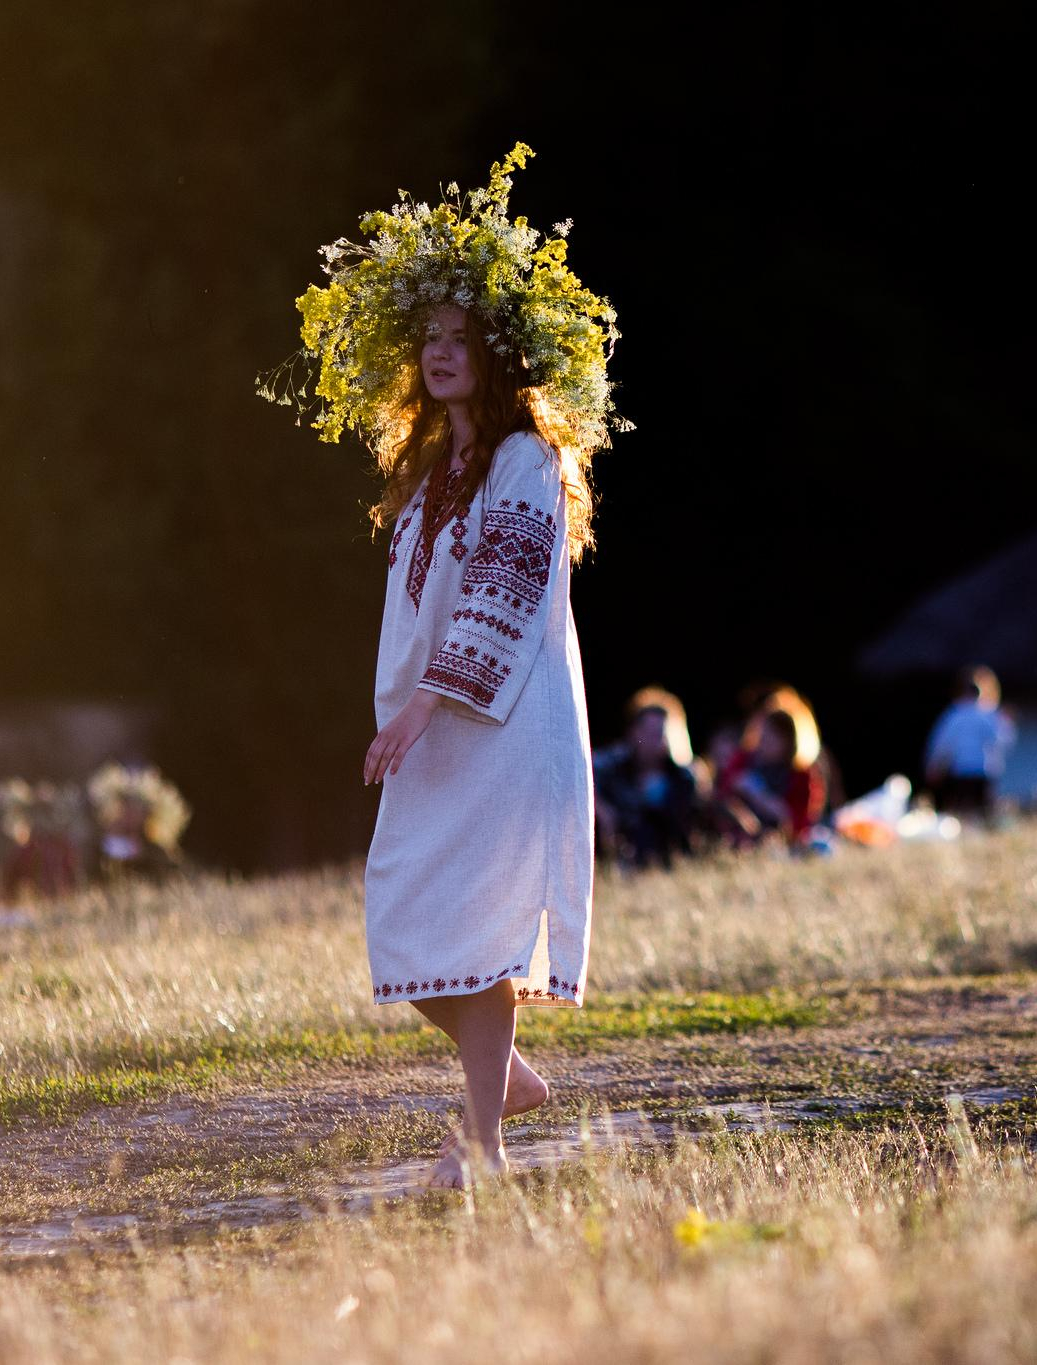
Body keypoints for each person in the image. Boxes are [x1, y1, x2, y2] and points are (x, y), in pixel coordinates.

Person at [290, 146, 623, 1189]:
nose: (440, 352)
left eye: (459, 336)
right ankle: (505, 1077)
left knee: (476, 932)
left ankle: (479, 1142)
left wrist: (421, 712)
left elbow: (503, 595)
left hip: (498, 728)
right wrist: (410, 712)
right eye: (427, 337)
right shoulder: (435, 472)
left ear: (500, 350)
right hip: (435, 728)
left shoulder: (527, 460)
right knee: (408, 923)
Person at [595, 686, 703, 871]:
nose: (655, 739)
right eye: (648, 732)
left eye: (660, 732)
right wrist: (601, 808)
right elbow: (582, 776)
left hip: (669, 863)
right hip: (617, 862)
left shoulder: (683, 778)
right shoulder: (611, 766)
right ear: (633, 732)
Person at [714, 697, 828, 850]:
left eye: (774, 736)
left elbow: (799, 822)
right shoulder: (744, 760)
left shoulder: (802, 775)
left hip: (776, 841)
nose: (765, 740)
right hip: (735, 832)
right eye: (764, 733)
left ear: (789, 741)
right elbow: (721, 793)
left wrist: (760, 795)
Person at [921, 666, 1016, 825]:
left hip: (961, 771)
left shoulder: (954, 714)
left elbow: (942, 744)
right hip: (984, 771)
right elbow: (1004, 740)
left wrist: (934, 766)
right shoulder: (990, 714)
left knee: (962, 812)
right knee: (983, 813)